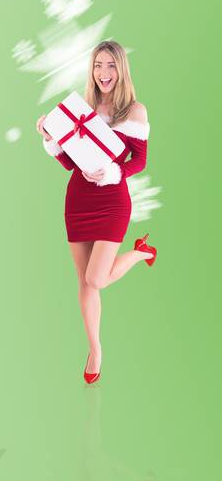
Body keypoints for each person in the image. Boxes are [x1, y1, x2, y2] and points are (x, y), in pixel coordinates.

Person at [35, 40, 154, 384]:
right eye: (98, 65)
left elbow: (140, 160)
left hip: (113, 199)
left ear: (121, 70)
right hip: (78, 200)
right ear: (92, 70)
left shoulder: (135, 111)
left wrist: (114, 173)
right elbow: (69, 163)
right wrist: (50, 137)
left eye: (111, 66)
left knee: (96, 278)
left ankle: (139, 252)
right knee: (85, 283)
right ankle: (95, 348)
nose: (104, 73)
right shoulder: (81, 109)